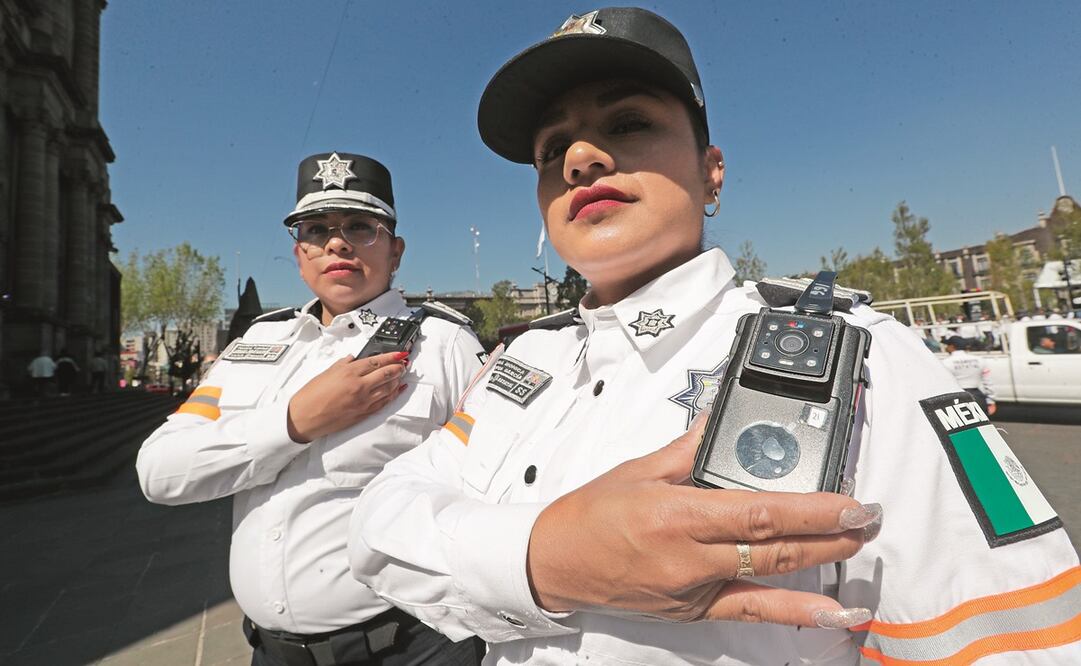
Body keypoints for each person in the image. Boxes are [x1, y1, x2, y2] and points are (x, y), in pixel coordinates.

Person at [349, 8, 1081, 664]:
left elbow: (1007, 643)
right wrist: (544, 558)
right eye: (551, 152)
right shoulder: (525, 358)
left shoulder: (859, 352)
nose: (578, 159)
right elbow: (380, 524)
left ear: (711, 175)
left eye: (627, 124)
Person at [137, 152, 486, 666]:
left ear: (396, 251)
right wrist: (295, 422)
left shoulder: (444, 343)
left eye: (361, 227)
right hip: (272, 654)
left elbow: (494, 487)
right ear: (299, 253)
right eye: (316, 229)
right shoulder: (256, 344)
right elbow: (161, 474)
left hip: (409, 647)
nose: (337, 242)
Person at [941, 336, 996, 415]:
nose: (946, 348)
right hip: (978, 397)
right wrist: (991, 401)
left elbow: (943, 384)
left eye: (947, 345)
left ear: (952, 346)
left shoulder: (945, 363)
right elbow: (988, 382)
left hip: (957, 399)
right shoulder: (979, 360)